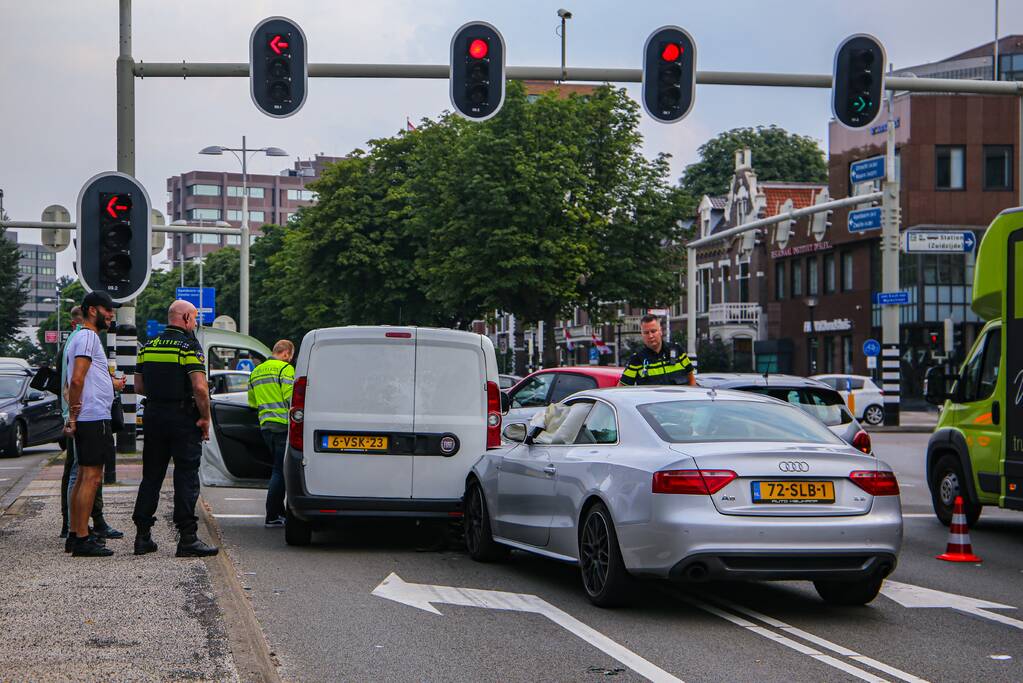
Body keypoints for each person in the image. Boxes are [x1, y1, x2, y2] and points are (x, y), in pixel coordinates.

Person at [131, 300, 218, 557]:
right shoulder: (188, 346)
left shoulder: (149, 346)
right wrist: (205, 418)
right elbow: (200, 388)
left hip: (154, 415)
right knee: (186, 476)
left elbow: (139, 387)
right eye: (195, 318)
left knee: (151, 476)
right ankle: (187, 538)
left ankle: (142, 537)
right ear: (187, 318)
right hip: (182, 418)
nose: (195, 323)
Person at [65, 291, 123, 557]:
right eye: (107, 309)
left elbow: (81, 379)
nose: (111, 314)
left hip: (89, 415)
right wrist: (73, 415)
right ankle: (83, 539)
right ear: (92, 310)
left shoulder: (81, 337)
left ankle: (75, 533)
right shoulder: (88, 337)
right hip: (93, 416)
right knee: (92, 477)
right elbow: (77, 379)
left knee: (82, 477)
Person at [247, 340, 295, 528]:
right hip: (283, 425)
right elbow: (291, 398)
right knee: (280, 471)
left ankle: (279, 513)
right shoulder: (285, 369)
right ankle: (272, 515)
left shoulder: (256, 371)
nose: (290, 360)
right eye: (291, 356)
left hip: (266, 426)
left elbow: (252, 402)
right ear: (286, 353)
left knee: (278, 469)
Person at [619, 314, 696, 387]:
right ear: (642, 334)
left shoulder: (677, 350)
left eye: (653, 331)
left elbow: (691, 378)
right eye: (646, 333)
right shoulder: (637, 359)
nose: (650, 336)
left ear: (660, 331)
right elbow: (622, 388)